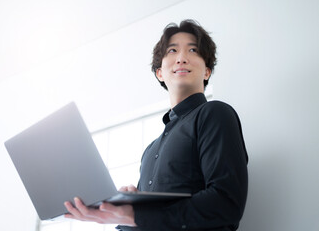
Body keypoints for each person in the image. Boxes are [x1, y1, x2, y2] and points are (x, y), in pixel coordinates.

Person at [64, 19, 248, 231]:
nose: (181, 58)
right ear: (159, 73)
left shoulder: (215, 114)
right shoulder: (150, 151)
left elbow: (227, 204)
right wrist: (113, 212)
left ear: (207, 71)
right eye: (172, 51)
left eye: (193, 50)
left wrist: (137, 215)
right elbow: (146, 223)